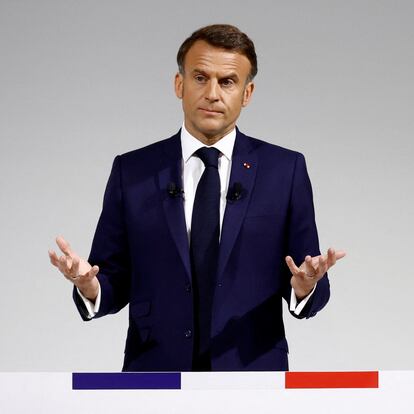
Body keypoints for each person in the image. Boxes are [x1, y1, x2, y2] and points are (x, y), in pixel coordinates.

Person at [49, 24, 345, 371]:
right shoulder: (132, 171)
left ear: (247, 93)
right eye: (200, 77)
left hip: (253, 374)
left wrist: (306, 285)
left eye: (228, 81)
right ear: (180, 85)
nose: (213, 93)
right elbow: (112, 278)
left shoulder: (285, 171)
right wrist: (89, 284)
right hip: (154, 370)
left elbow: (306, 276)